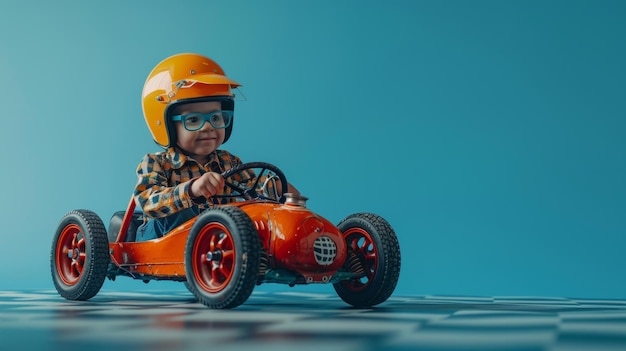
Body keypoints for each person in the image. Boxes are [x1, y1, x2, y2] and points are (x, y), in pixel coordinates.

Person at [134, 53, 296, 241]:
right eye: (193, 120)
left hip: (215, 241)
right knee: (182, 211)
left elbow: (255, 187)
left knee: (255, 214)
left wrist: (277, 189)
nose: (208, 126)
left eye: (216, 118)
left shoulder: (229, 162)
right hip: (161, 239)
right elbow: (147, 200)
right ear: (166, 125)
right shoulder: (156, 162)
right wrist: (191, 190)